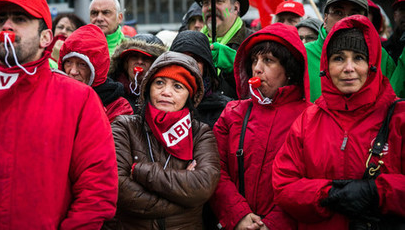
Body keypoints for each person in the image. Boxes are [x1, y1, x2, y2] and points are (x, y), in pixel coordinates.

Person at [0, 0, 118, 229]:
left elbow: (97, 190)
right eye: (1, 20)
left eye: (20, 19)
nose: (7, 26)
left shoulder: (79, 101)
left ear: (46, 38)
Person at [273, 15, 405, 229]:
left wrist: (376, 193)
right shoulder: (307, 120)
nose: (348, 68)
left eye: (359, 58)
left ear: (372, 64)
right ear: (326, 65)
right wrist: (327, 194)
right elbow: (283, 185)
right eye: (339, 58)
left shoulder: (399, 117)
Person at [210, 23, 310, 230]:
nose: (257, 68)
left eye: (268, 61)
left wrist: (272, 224)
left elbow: (308, 181)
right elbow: (214, 168)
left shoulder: (310, 117)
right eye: (254, 60)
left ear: (289, 70)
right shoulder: (233, 112)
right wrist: (238, 214)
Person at [109, 51, 220, 229]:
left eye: (178, 86)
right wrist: (184, 199)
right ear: (148, 87)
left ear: (190, 95)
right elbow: (118, 188)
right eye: (159, 83)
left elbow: (203, 185)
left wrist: (141, 171)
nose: (166, 92)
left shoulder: (200, 133)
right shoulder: (125, 127)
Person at [305, 0, 396, 102]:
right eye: (338, 12)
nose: (345, 19)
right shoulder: (304, 54)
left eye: (354, 13)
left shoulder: (381, 56)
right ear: (325, 18)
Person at [191, 0, 254, 99]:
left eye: (218, 1)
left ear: (236, 8)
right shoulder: (192, 43)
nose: (210, 7)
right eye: (205, 2)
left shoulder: (253, 43)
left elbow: (261, 93)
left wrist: (235, 69)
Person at [59, 24, 133, 122]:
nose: (73, 71)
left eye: (82, 64)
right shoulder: (53, 96)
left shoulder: (118, 107)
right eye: (68, 62)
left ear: (97, 69)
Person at [170, 30, 232, 128]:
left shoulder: (226, 110)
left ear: (206, 65)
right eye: (182, 58)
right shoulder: (161, 103)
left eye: (195, 59)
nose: (188, 63)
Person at [109, 33, 167, 113]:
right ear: (126, 62)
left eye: (146, 58)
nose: (139, 62)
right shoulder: (111, 90)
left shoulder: (164, 94)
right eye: (134, 57)